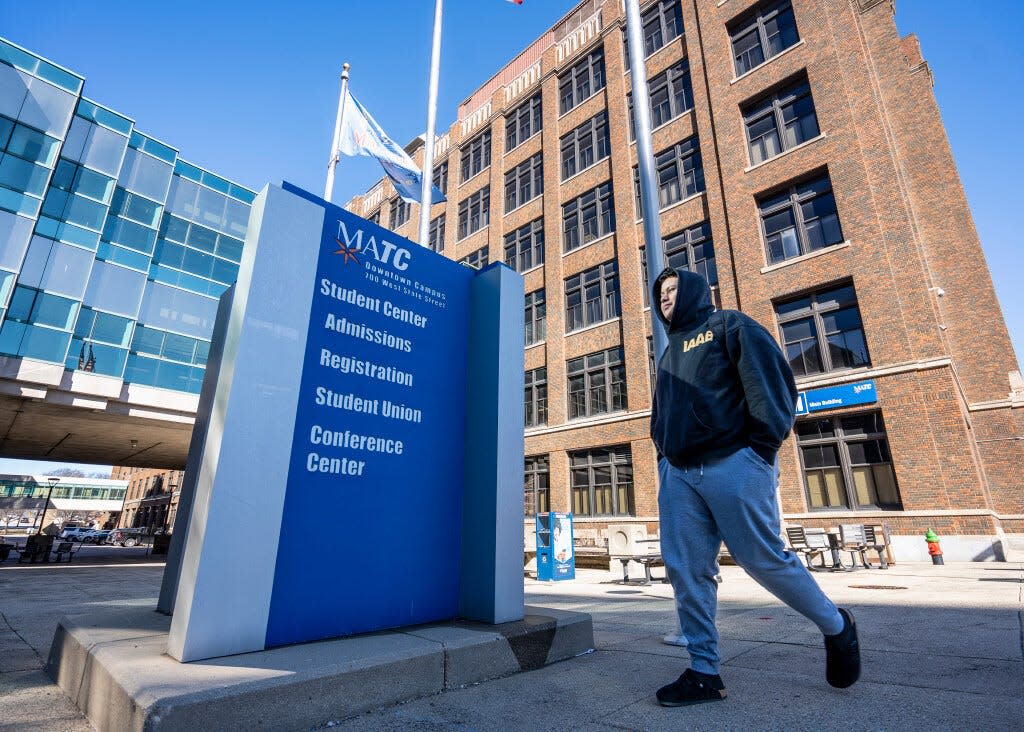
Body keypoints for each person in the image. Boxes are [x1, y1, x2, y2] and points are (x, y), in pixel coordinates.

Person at [650, 268, 860, 707]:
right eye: (661, 293)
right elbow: (663, 413)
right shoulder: (668, 353)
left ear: (691, 291)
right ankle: (704, 671)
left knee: (763, 559)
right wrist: (664, 456)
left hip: (733, 464)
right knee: (687, 571)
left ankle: (837, 626)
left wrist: (759, 448)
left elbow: (773, 385)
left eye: (673, 289)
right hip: (679, 474)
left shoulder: (729, 326)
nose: (667, 297)